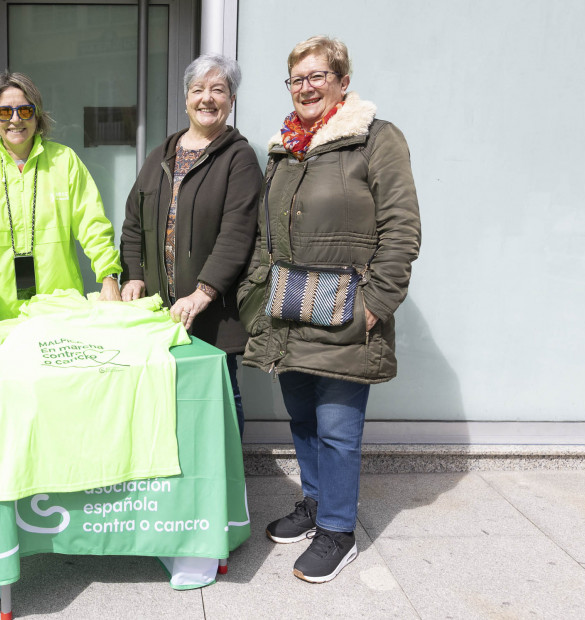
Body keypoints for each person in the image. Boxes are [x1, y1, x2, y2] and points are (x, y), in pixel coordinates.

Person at [238, 36, 421, 583]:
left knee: (339, 429)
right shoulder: (284, 150)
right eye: (297, 78)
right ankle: (316, 506)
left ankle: (339, 532)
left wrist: (377, 302)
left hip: (346, 310)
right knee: (304, 419)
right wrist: (255, 297)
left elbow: (401, 228)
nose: (307, 86)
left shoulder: (376, 139)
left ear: (342, 80)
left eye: (319, 75)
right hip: (289, 310)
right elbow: (265, 234)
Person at [120, 54, 262, 436]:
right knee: (167, 400)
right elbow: (134, 222)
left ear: (231, 100)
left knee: (219, 398)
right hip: (160, 313)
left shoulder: (240, 158)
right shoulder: (161, 156)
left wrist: (203, 293)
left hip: (213, 313)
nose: (207, 98)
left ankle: (228, 484)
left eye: (219, 89)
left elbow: (237, 235)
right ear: (186, 99)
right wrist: (132, 275)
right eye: (198, 89)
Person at [0, 72, 121, 332]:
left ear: (37, 114)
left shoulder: (65, 161)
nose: (16, 120)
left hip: (61, 312)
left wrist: (109, 276)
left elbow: (93, 224)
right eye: (5, 112)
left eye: (25, 111)